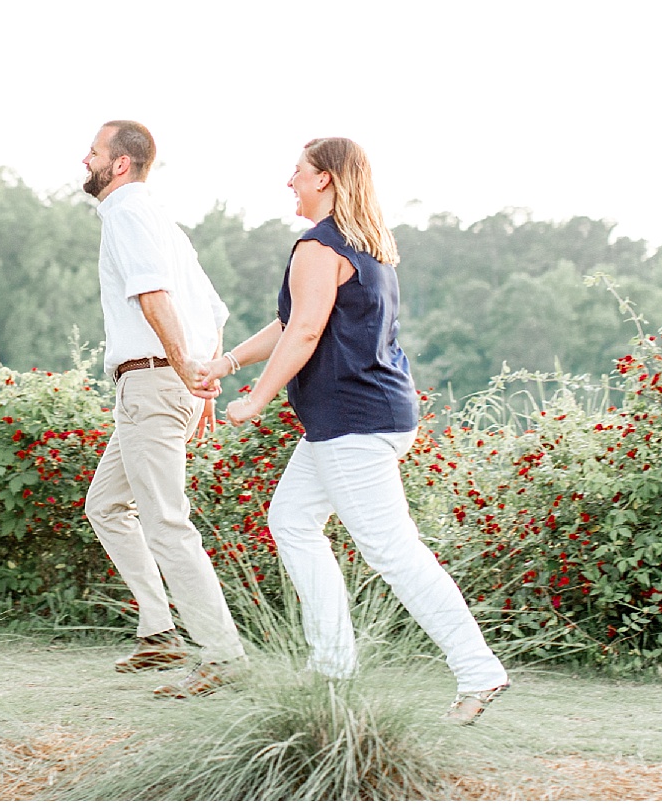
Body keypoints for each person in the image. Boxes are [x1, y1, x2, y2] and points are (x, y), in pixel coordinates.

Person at [198, 137, 510, 724]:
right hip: (363, 418)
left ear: (325, 180)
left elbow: (306, 332)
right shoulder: (366, 246)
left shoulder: (317, 247)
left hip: (352, 422)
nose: (289, 181)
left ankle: (478, 672)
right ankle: (332, 666)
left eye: (298, 171)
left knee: (392, 550)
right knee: (291, 520)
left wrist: (256, 400)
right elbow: (292, 320)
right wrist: (229, 363)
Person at [80, 119, 247, 697]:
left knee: (167, 522)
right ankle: (160, 633)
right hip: (165, 383)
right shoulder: (166, 225)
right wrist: (198, 383)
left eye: (95, 152)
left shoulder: (126, 213)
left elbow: (152, 295)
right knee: (105, 505)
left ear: (119, 164)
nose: (86, 159)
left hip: (152, 382)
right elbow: (218, 311)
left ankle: (223, 657)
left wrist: (184, 374)